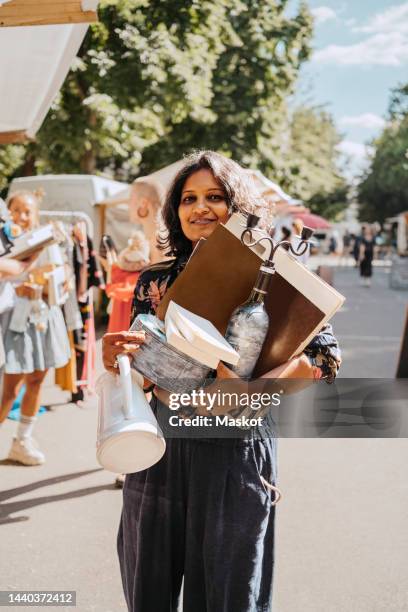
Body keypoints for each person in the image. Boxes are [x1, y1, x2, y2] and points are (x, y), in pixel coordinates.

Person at [102, 151, 341, 612]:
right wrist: (117, 358)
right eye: (189, 198)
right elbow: (142, 361)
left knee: (230, 594)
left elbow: (325, 360)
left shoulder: (280, 276)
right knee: (147, 581)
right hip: (160, 450)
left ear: (240, 205)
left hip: (237, 453)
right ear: (176, 211)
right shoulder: (155, 279)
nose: (200, 208)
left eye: (216, 196)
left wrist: (247, 393)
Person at [0, 190, 71, 465]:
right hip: (16, 320)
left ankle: (23, 440)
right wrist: (22, 287)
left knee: (37, 380)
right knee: (10, 390)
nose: (22, 216)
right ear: (9, 212)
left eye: (28, 211)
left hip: (43, 317)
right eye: (17, 210)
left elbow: (64, 276)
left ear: (36, 215)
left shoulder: (47, 239)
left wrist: (48, 283)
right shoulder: (6, 240)